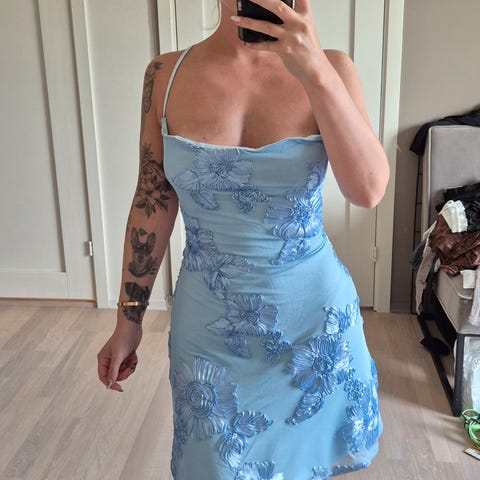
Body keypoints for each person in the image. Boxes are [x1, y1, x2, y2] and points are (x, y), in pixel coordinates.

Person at [97, 0, 390, 478]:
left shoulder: (333, 68)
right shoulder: (165, 76)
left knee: (307, 465)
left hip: (313, 328)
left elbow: (368, 190)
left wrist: (314, 71)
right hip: (209, 334)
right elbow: (152, 198)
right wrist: (128, 319)